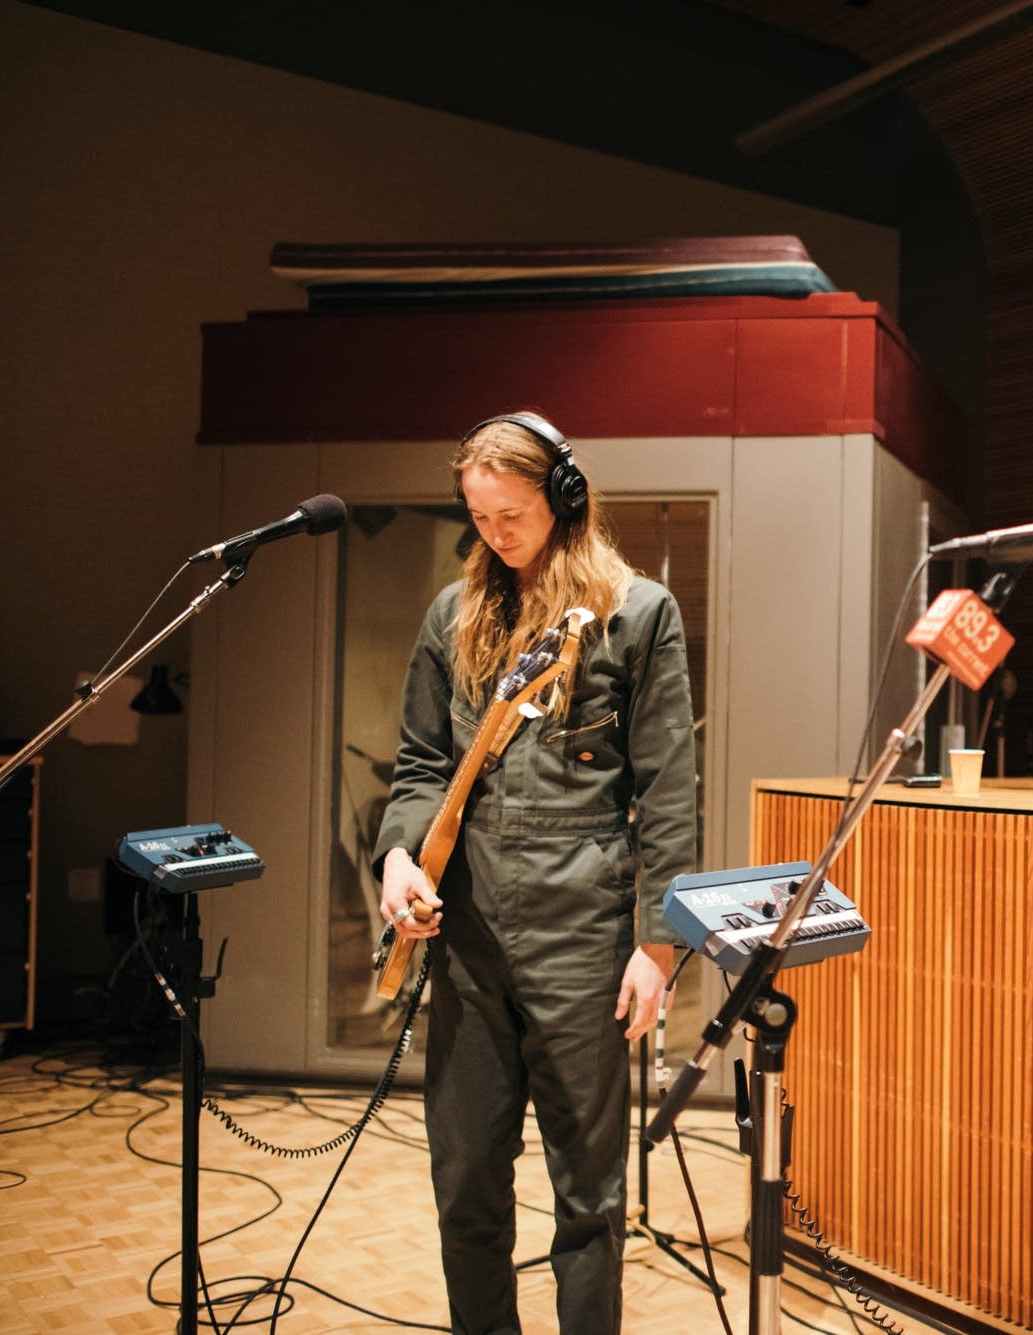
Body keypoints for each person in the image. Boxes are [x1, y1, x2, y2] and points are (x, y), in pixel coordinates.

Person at [373, 411, 697, 1334]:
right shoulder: (454, 613)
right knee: (465, 1176)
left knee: (588, 1195)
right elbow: (421, 763)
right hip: (467, 932)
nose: (497, 536)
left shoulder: (640, 613)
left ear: (562, 499)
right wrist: (399, 857)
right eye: (479, 518)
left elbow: (670, 790)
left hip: (585, 934)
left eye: (511, 515)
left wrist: (659, 944)